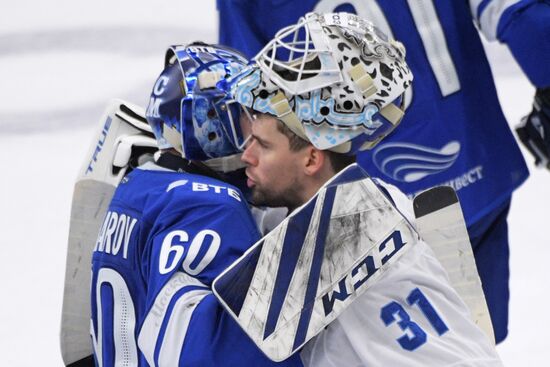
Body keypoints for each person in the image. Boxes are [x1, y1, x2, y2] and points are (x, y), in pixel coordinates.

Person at [217, 0, 550, 343]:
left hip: (356, 211)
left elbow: (253, 91)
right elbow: (527, 21)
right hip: (473, 171)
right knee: (469, 343)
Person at [89, 42, 302, 366]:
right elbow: (210, 345)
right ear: (209, 125)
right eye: (246, 117)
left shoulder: (137, 185)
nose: (255, 128)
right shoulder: (210, 207)